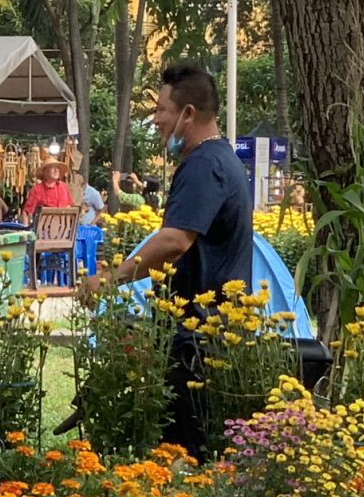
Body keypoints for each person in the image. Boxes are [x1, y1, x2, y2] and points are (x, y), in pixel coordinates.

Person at [81, 60, 253, 454]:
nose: (155, 119)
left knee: (182, 457)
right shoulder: (221, 159)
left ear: (187, 114)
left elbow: (174, 241)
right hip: (210, 335)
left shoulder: (204, 164)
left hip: (197, 342)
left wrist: (110, 279)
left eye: (161, 110)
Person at [19, 156, 73, 223]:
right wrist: (26, 232)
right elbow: (26, 212)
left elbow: (70, 206)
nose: (56, 170)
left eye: (57, 168)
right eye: (52, 168)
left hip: (64, 230)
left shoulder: (64, 187)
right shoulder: (37, 190)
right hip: (43, 230)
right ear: (45, 172)